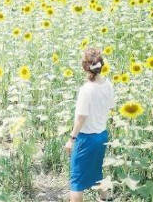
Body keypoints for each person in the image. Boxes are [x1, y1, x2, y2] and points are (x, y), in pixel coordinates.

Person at [64, 47, 115, 202]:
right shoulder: (108, 84)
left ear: (85, 67)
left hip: (86, 139)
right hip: (102, 136)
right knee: (97, 173)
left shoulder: (86, 90)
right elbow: (111, 108)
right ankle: (105, 199)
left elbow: (81, 118)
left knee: (76, 182)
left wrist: (71, 139)